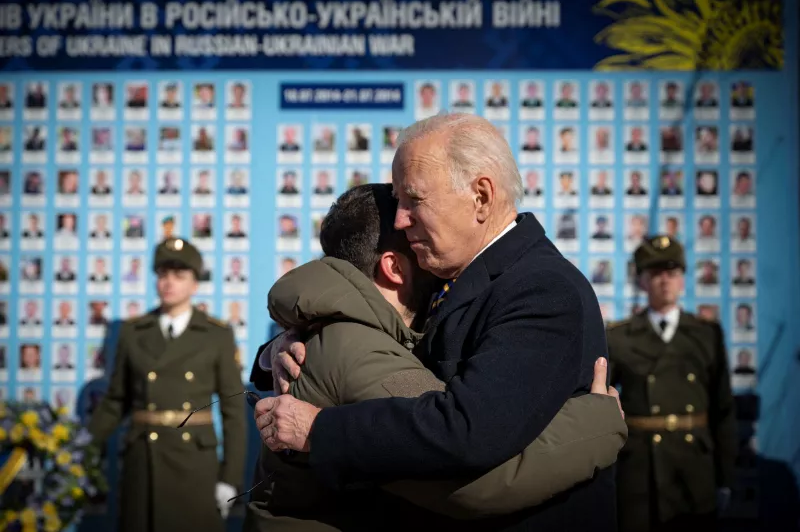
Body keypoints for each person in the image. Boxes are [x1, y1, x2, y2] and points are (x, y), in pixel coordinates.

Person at [254, 113, 620, 530]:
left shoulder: (541, 290)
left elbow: (467, 433)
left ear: (480, 196)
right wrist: (284, 347)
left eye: (414, 200)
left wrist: (319, 429)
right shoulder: (454, 279)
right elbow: (381, 336)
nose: (399, 219)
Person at [86, 237, 246, 532]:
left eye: (179, 275)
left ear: (195, 284)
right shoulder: (133, 333)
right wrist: (79, 451)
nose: (169, 283)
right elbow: (115, 402)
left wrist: (229, 479)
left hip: (195, 467)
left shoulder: (216, 335)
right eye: (163, 274)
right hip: (142, 462)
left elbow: (234, 411)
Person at [606, 235, 736, 531]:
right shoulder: (619, 337)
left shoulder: (706, 334)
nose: (664, 281)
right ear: (641, 281)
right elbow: (601, 404)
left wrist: (725, 478)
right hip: (640, 471)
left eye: (672, 273)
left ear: (682, 281)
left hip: (694, 469)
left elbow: (723, 410)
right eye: (655, 274)